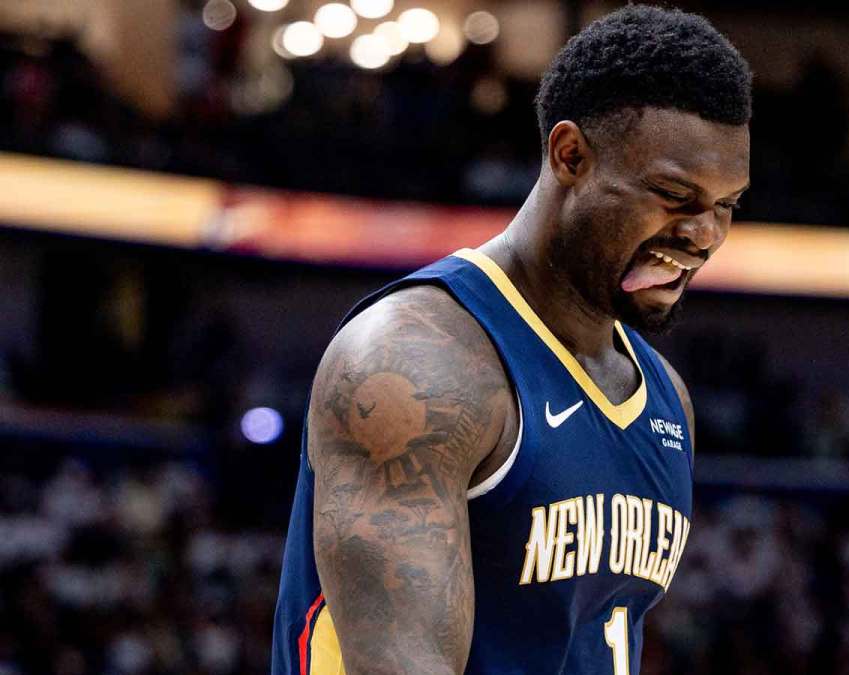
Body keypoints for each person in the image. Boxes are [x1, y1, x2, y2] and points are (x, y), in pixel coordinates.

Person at [271, 5, 751, 674]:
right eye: (675, 195)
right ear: (571, 155)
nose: (705, 234)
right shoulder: (416, 363)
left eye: (726, 204)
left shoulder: (666, 400)